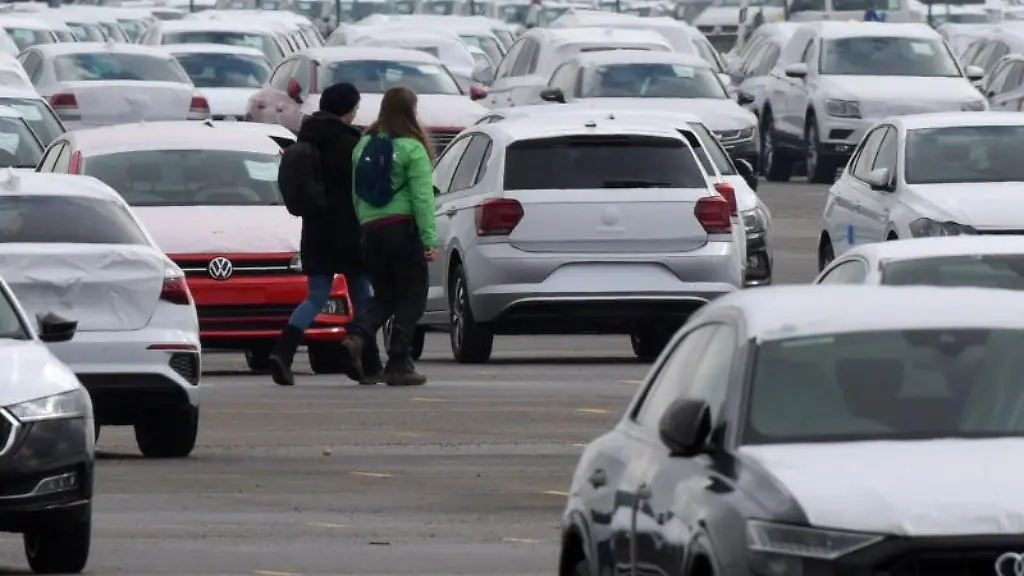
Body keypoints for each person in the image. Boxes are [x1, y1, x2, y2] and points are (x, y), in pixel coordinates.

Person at [268, 82, 380, 387]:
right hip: (349, 231)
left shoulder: (308, 137)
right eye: (355, 107)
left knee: (316, 297)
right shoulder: (350, 144)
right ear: (347, 109)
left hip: (316, 230)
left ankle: (283, 351)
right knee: (362, 296)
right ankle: (368, 361)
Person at [342, 86, 436, 387]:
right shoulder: (412, 147)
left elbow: (357, 194)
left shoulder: (363, 145)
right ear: (411, 111)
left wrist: (365, 226)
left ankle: (357, 335)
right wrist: (428, 239)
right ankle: (399, 361)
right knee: (413, 295)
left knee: (383, 294)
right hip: (403, 229)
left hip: (371, 230)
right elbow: (423, 198)